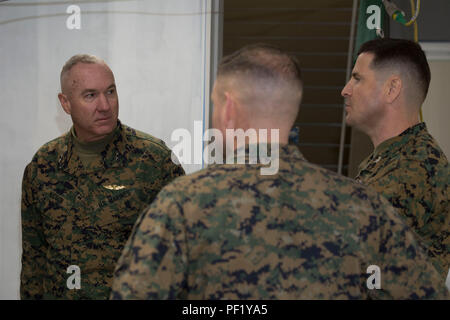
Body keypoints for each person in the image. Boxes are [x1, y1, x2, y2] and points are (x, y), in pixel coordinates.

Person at [111, 44, 447, 299]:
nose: (346, 88)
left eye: (214, 105)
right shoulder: (362, 205)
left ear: (228, 109)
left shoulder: (181, 204)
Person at [20, 54, 185, 299]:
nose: (105, 106)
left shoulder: (154, 160)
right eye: (90, 95)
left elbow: (185, 249)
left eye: (110, 92)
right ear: (65, 103)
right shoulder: (43, 166)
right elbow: (34, 260)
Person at [341, 38, 449, 278]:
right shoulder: (388, 158)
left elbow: (350, 247)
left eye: (357, 78)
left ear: (392, 89)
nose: (345, 90)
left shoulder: (415, 165)